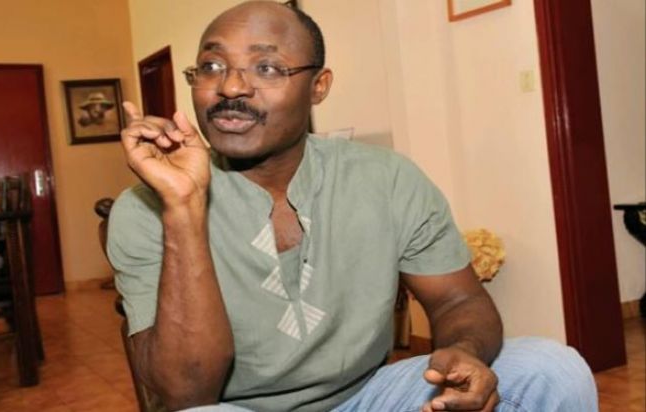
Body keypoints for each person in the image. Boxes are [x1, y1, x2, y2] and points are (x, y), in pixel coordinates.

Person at [107, 1, 598, 411]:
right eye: (212, 66)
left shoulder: (387, 178)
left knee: (551, 369)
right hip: (237, 408)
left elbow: (458, 301)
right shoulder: (145, 210)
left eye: (267, 67)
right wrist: (184, 207)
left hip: (366, 398)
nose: (231, 87)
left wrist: (464, 352)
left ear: (318, 86)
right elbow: (186, 393)